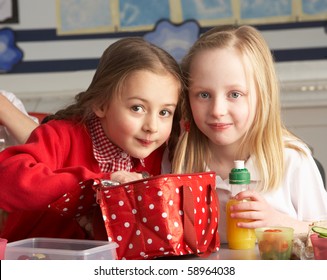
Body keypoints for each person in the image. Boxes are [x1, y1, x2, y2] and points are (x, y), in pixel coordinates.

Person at [0, 37, 183, 242]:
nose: (152, 126)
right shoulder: (60, 136)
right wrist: (98, 184)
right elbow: (7, 182)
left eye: (165, 112)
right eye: (137, 108)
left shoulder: (162, 157)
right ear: (101, 104)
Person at [169, 25, 327, 243]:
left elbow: (323, 232)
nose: (217, 110)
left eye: (235, 94)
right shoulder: (178, 161)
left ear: (262, 96)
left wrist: (279, 222)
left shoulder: (292, 160)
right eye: (203, 94)